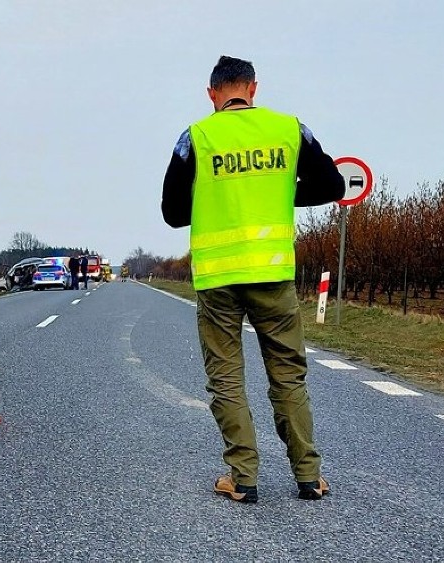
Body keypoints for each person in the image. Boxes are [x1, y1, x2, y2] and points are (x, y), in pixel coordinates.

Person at [161, 55, 345, 503]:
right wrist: (280, 190)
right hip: (273, 275)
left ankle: (242, 478)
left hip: (218, 279)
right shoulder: (289, 129)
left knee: (226, 378)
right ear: (253, 89)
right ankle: (309, 477)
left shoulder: (196, 138)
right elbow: (333, 186)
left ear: (212, 94)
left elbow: (171, 213)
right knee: (288, 376)